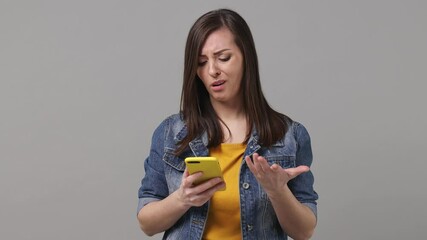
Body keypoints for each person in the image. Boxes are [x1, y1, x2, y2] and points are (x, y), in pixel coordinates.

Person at [137, 8, 318, 240]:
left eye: (223, 58)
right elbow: (146, 223)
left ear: (246, 58)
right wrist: (182, 198)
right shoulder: (171, 133)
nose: (212, 70)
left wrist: (278, 191)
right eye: (201, 62)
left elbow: (304, 231)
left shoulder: (289, 136)